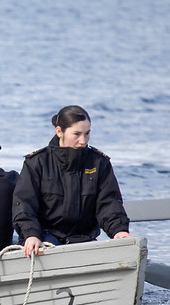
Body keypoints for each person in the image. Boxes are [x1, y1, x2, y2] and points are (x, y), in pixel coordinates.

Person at [12, 105, 131, 257]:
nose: (83, 141)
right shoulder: (37, 162)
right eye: (76, 134)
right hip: (45, 237)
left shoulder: (99, 163)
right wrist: (31, 234)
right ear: (59, 132)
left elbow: (108, 203)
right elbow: (24, 204)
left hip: (83, 239)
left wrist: (119, 231)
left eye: (87, 134)